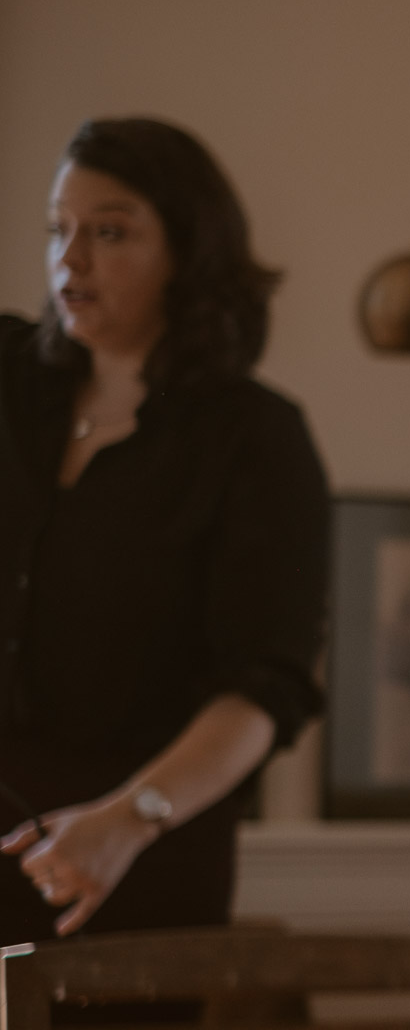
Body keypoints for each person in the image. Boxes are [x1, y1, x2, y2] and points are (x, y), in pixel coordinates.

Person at [0, 117, 329, 943]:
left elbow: (263, 690)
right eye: (57, 229)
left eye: (108, 232)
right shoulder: (8, 382)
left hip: (127, 873)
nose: (68, 260)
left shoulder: (254, 438)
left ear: (190, 250)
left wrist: (129, 821)